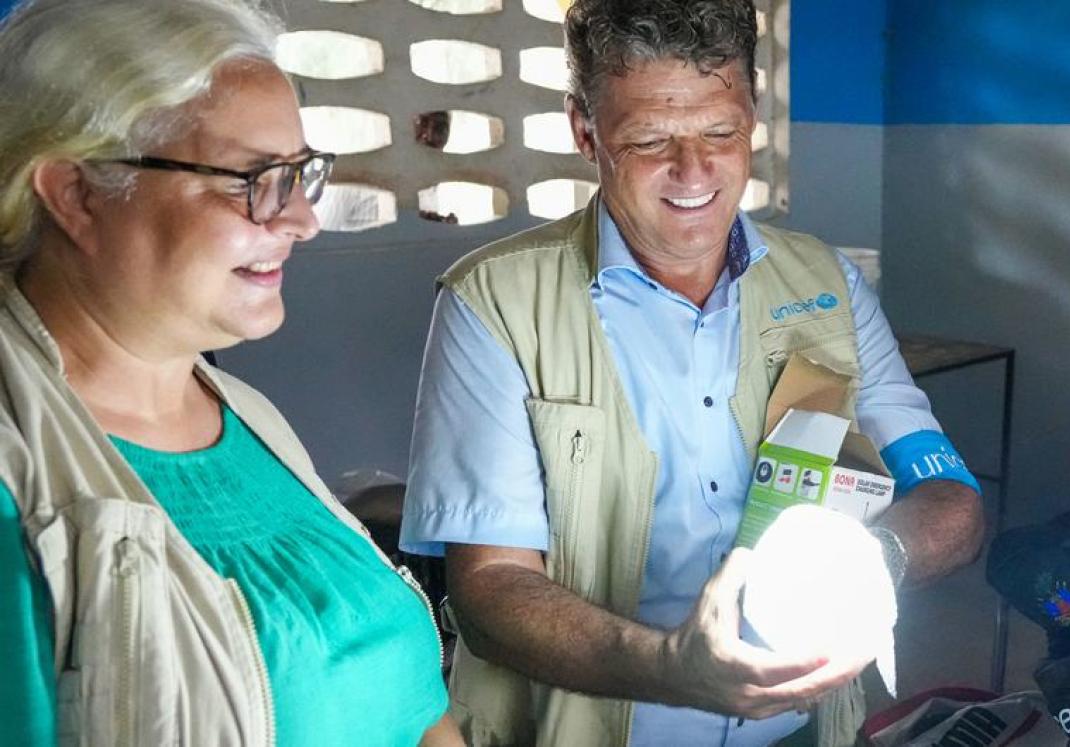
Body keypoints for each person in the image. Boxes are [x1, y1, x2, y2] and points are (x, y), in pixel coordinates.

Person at [398, 0, 985, 744]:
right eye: (649, 139)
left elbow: (950, 498)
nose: (694, 172)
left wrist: (871, 558)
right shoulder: (497, 304)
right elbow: (490, 591)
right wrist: (674, 666)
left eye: (722, 132)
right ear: (586, 131)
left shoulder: (827, 287)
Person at [0, 0, 456, 743]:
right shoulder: (20, 474)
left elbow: (413, 710)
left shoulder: (246, 414)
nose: (302, 221)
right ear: (76, 193)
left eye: (299, 174)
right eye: (252, 178)